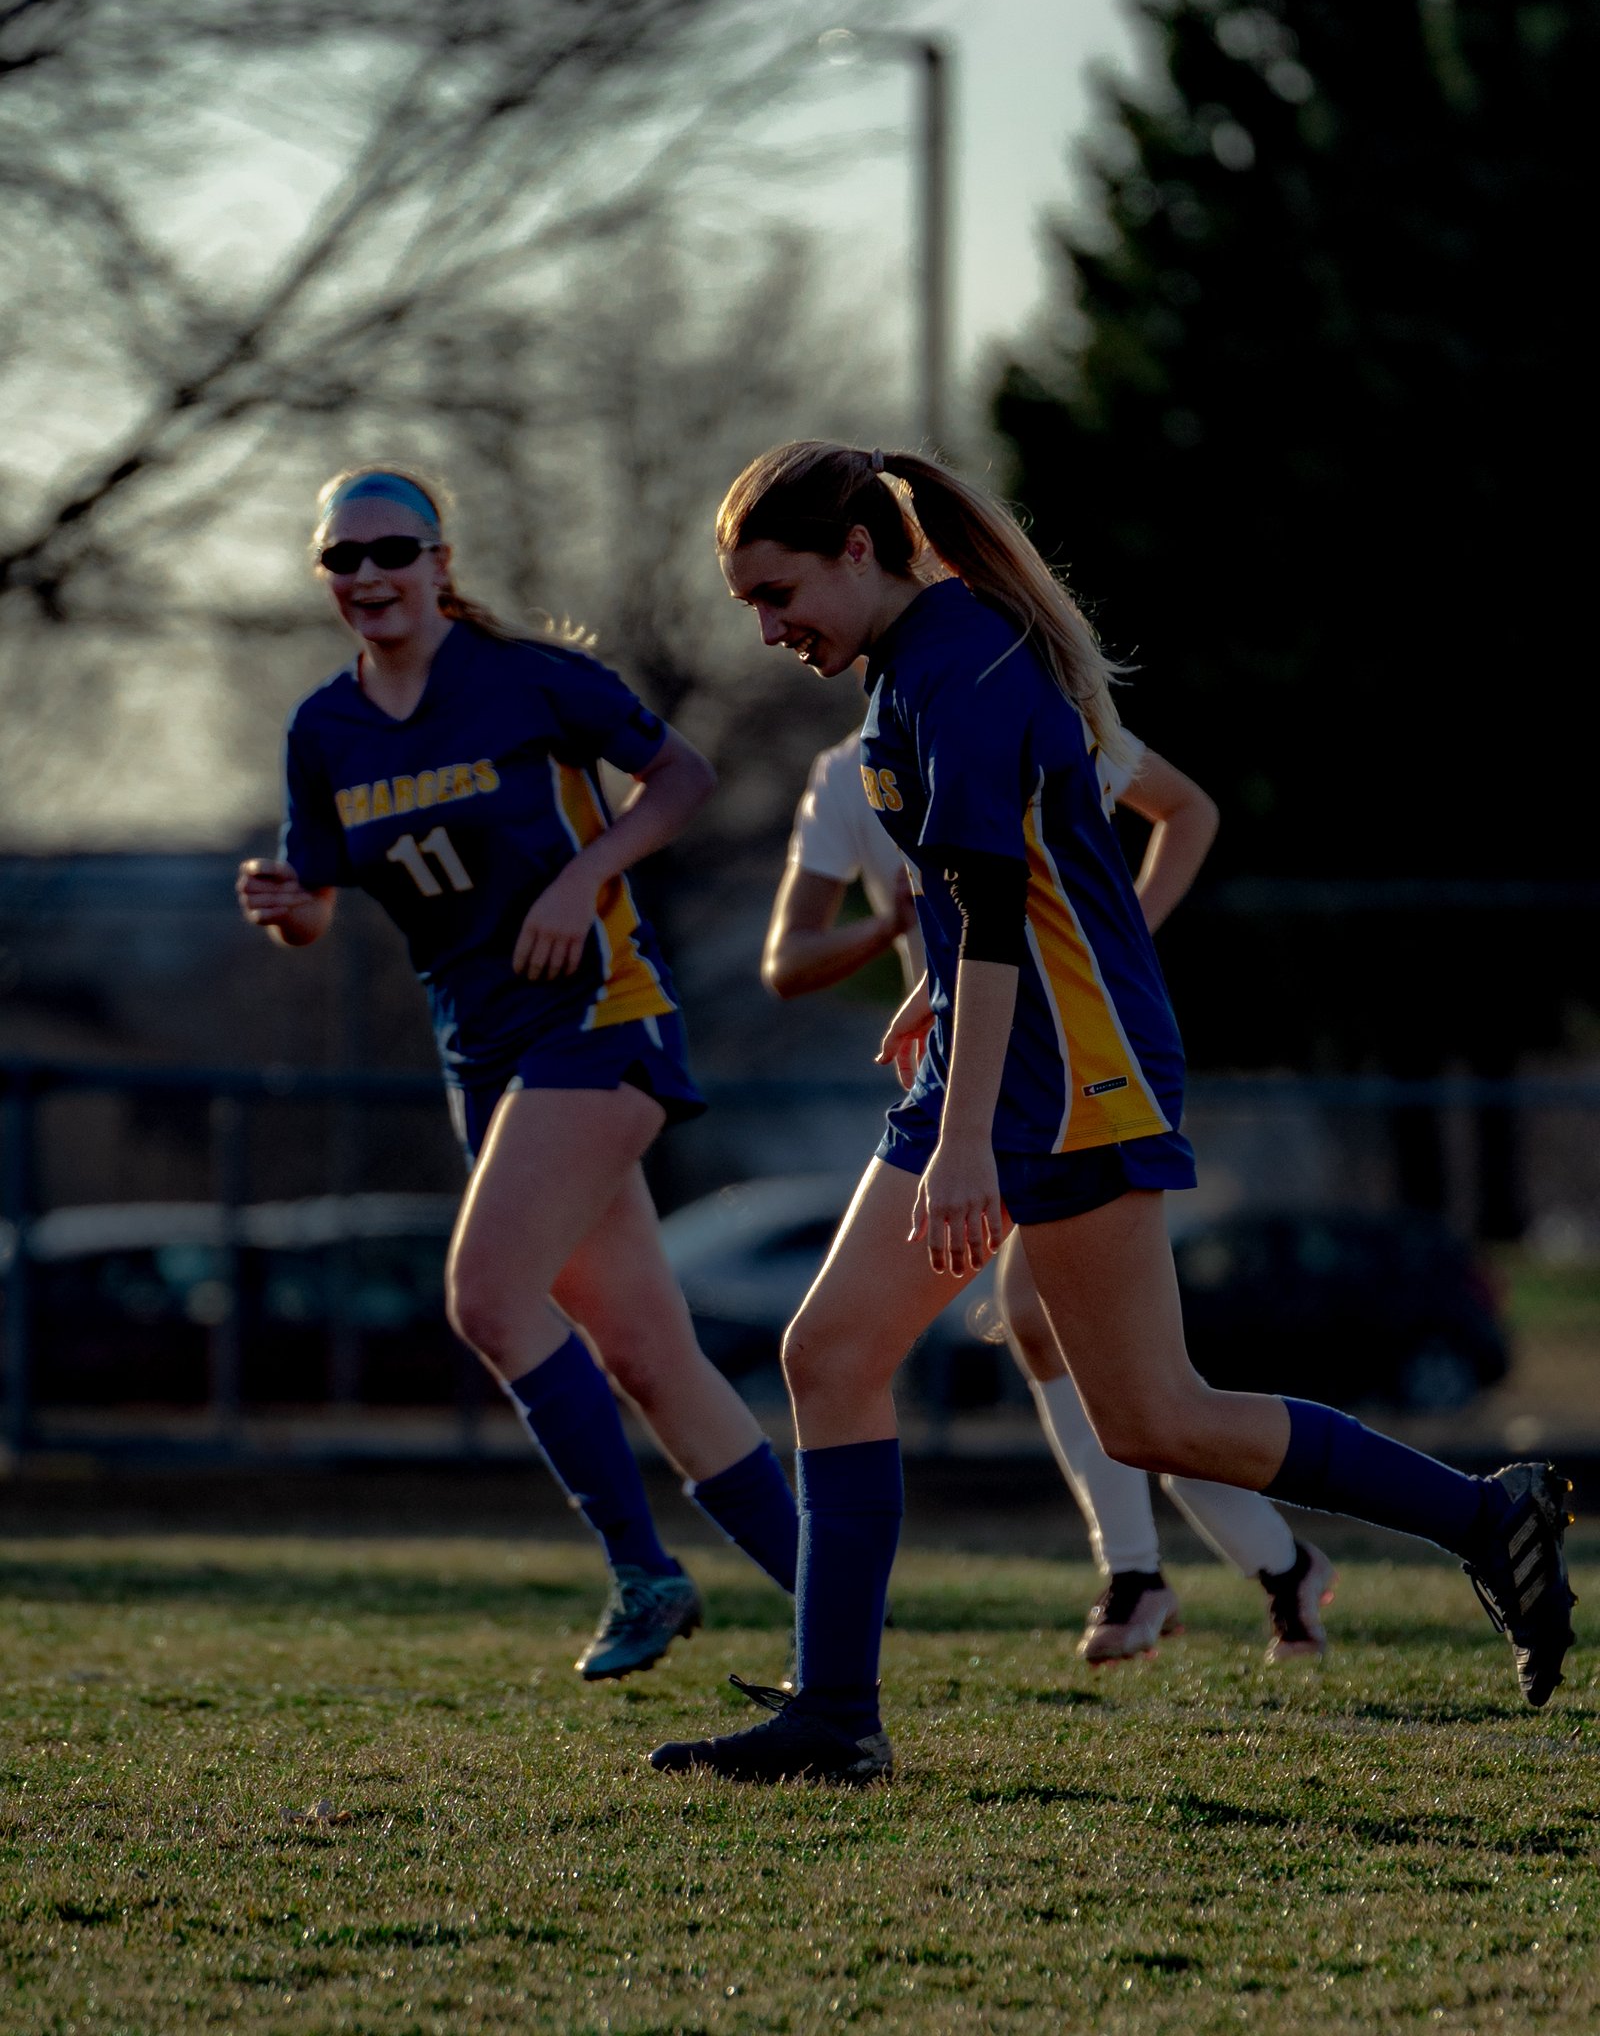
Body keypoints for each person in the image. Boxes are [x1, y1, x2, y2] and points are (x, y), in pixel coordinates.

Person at [649, 441, 1574, 1787]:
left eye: (775, 593)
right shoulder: (911, 663)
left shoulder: (963, 666)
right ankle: (836, 1717)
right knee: (835, 1356)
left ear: (857, 549)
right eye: (748, 604)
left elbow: (1002, 918)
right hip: (1002, 1053)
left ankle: (1486, 1518)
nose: (766, 629)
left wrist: (966, 1135)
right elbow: (995, 900)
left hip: (1072, 1074)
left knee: (1149, 1414)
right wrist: (938, 1009)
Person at [237, 466, 799, 1681]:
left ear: (440, 561)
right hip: (481, 1056)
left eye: (393, 549)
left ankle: (644, 1574)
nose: (369, 574)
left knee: (489, 1300)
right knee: (646, 1353)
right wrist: (284, 905)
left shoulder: (529, 677)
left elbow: (683, 777)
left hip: (597, 1019)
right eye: (342, 558)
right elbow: (316, 909)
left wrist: (582, 877)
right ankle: (833, 1595)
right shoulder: (322, 729)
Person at [765, 703, 1335, 1666]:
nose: (782, 635)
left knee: (1092, 1355)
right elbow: (787, 960)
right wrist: (895, 929)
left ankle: (1165, 1571)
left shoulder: (1022, 712)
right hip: (959, 1100)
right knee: (1091, 1365)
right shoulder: (849, 771)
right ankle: (1260, 1567)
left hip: (1071, 1078)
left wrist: (1122, 938)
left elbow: (1187, 809)